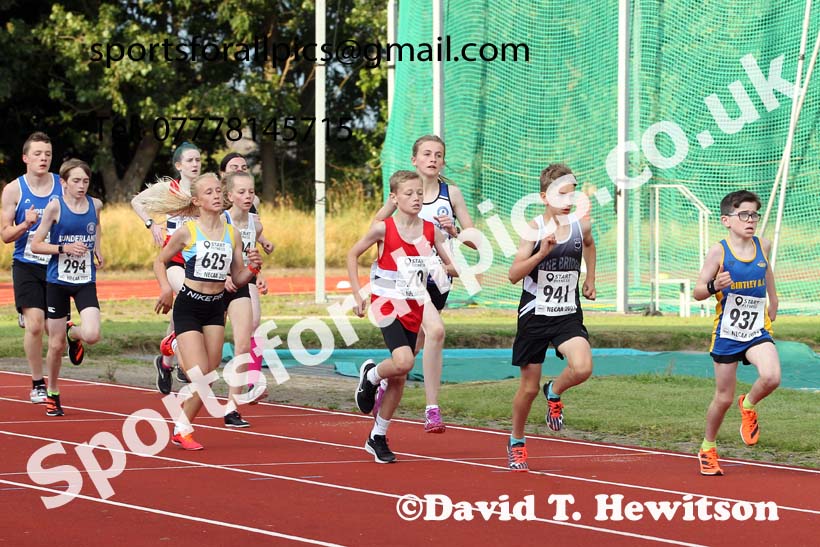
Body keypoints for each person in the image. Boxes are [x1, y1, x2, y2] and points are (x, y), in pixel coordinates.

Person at [348, 170, 457, 463]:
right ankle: (371, 376)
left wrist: (440, 261)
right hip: (386, 304)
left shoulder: (431, 231)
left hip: (414, 305)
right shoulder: (383, 228)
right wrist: (358, 293)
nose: (416, 198)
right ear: (394, 198)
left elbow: (454, 268)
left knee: (400, 377)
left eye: (419, 193)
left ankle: (377, 436)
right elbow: (352, 254)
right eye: (409, 194)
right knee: (404, 362)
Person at [148, 172, 262, 449]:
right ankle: (175, 344)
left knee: (208, 377)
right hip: (189, 305)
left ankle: (181, 427)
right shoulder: (188, 231)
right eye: (209, 192)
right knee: (199, 376)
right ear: (197, 201)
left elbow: (236, 280)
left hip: (215, 307)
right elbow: (159, 262)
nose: (216, 196)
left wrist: (253, 268)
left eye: (218, 191)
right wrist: (165, 289)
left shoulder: (231, 233)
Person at [371, 135, 475, 433]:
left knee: (414, 348)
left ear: (443, 161)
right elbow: (377, 226)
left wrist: (453, 231)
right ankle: (432, 409)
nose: (432, 159)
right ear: (414, 160)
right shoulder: (406, 192)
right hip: (404, 283)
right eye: (426, 154)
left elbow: (473, 240)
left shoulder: (450, 193)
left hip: (436, 278)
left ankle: (383, 381)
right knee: (434, 332)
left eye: (438, 155)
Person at [506, 163, 596, 471]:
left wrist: (590, 279)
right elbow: (513, 275)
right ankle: (517, 440)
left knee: (583, 367)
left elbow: (589, 244)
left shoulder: (579, 225)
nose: (568, 200)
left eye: (571, 193)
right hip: (534, 315)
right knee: (528, 389)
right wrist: (541, 253)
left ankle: (555, 390)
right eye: (561, 193)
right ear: (545, 197)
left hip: (566, 313)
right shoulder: (533, 231)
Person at [693, 190, 780, 476]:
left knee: (771, 377)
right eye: (743, 214)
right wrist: (714, 286)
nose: (751, 219)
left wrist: (774, 300)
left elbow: (766, 271)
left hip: (757, 329)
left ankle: (750, 403)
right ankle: (708, 447)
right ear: (727, 220)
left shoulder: (762, 245)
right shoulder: (719, 251)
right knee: (723, 397)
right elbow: (697, 292)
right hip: (728, 333)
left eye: (754, 214)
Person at [30, 159, 103, 416]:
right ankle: (52, 391)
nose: (81, 185)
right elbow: (36, 245)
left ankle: (76, 335)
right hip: (57, 281)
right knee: (55, 344)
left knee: (93, 334)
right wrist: (64, 248)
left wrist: (98, 250)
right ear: (63, 182)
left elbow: (96, 228)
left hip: (85, 280)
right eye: (76, 181)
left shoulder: (96, 205)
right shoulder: (54, 208)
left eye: (85, 181)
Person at [132, 142, 201, 394]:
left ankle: (166, 361)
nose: (195, 165)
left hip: (199, 261)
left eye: (198, 160)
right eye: (190, 161)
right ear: (179, 165)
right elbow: (137, 202)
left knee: (184, 307)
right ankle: (184, 355)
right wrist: (152, 224)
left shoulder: (203, 189)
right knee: (188, 297)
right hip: (174, 260)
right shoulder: (167, 189)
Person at [1, 132, 64, 404]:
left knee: (54, 331)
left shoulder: (62, 185)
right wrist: (25, 225)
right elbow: (5, 235)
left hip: (54, 264)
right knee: (36, 326)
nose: (43, 158)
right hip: (26, 264)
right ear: (26, 158)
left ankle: (68, 334)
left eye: (47, 154)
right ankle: (37, 383)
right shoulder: (14, 190)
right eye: (38, 154)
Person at [220, 170, 273, 426]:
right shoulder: (220, 221)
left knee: (244, 341)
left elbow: (251, 258)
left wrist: (257, 274)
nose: (247, 196)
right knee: (208, 353)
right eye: (241, 192)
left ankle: (232, 407)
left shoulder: (255, 224)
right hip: (213, 286)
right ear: (229, 195)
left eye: (250, 191)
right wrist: (223, 277)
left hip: (242, 283)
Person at [219, 152, 275, 253]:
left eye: (244, 168)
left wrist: (263, 241)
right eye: (234, 167)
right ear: (222, 173)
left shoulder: (254, 200)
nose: (240, 170)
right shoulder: (214, 199)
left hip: (246, 260)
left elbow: (250, 228)